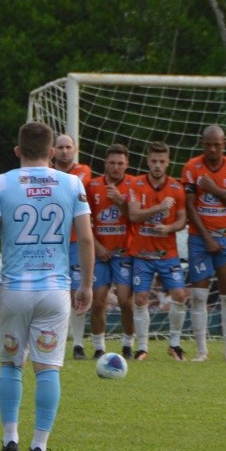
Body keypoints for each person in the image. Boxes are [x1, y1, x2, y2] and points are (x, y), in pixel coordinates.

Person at [0, 121, 93, 451]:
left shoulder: (0, 183)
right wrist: (86, 284)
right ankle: (39, 444)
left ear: (18, 150)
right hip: (55, 290)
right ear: (53, 152)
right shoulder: (72, 183)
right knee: (48, 368)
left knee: (11, 365)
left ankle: (9, 438)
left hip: (15, 289)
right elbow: (86, 238)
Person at [182, 124, 226, 362]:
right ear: (202, 144)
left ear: (224, 144)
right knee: (199, 294)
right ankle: (202, 351)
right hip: (199, 239)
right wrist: (207, 238)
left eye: (217, 145)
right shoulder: (191, 168)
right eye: (208, 144)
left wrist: (216, 191)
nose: (212, 149)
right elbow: (190, 206)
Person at [126, 141, 189, 360]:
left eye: (162, 161)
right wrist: (160, 208)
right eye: (154, 161)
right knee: (140, 298)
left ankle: (175, 344)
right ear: (147, 161)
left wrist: (170, 228)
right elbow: (133, 215)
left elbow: (182, 220)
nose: (157, 165)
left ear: (168, 162)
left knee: (180, 295)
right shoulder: (136, 184)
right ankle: (142, 347)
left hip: (167, 254)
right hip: (142, 254)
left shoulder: (176, 188)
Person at [84, 143, 136, 358]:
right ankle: (99, 348)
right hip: (101, 253)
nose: (116, 167)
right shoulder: (93, 186)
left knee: (125, 301)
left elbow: (135, 218)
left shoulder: (134, 184)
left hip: (125, 252)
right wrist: (97, 247)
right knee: (97, 301)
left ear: (127, 164)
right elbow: (83, 220)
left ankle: (128, 345)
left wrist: (120, 202)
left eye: (120, 163)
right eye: (112, 163)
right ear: (105, 163)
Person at [51, 134, 94, 358]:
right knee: (53, 290)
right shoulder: (46, 172)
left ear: (75, 149)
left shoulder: (83, 171)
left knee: (76, 290)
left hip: (76, 241)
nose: (65, 151)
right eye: (60, 147)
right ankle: (53, 338)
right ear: (53, 150)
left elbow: (68, 192)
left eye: (68, 147)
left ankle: (78, 344)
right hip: (52, 241)